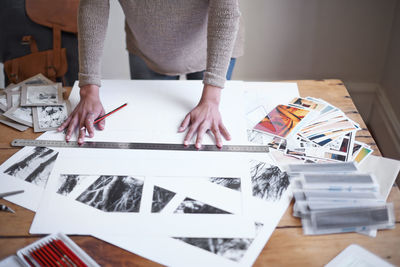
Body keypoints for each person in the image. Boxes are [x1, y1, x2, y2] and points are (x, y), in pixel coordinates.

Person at [58, 0, 244, 148]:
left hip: (210, 50)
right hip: (146, 49)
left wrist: (211, 99)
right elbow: (93, 5)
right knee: (149, 130)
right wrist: (88, 89)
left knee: (206, 135)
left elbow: (225, 12)